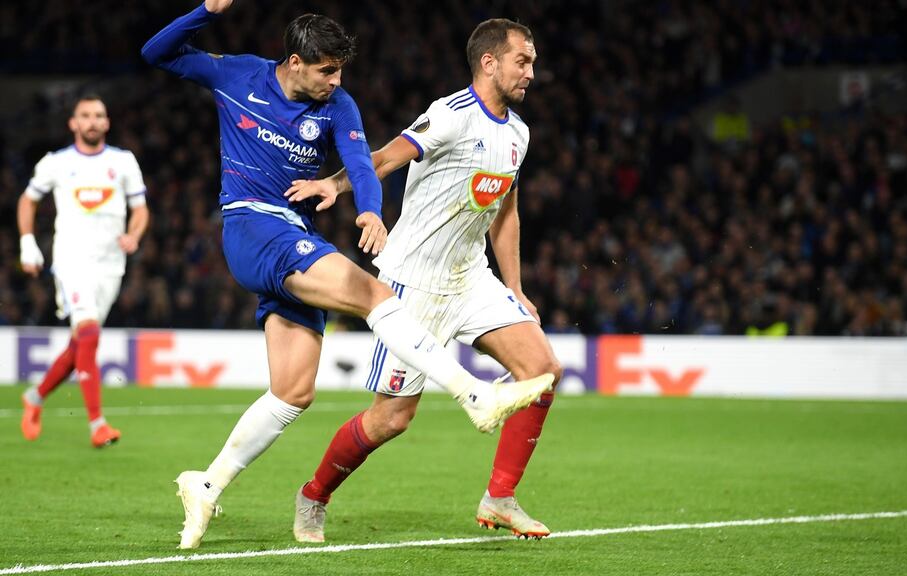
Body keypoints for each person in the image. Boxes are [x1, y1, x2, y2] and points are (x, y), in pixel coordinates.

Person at [141, 0, 553, 550]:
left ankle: (207, 483)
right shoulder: (237, 74)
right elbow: (156, 52)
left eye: (341, 71)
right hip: (256, 227)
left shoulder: (339, 106)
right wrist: (206, 9)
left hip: (316, 243)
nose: (337, 82)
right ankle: (472, 393)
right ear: (294, 61)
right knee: (371, 293)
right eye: (327, 71)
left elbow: (364, 162)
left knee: (293, 393)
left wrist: (366, 208)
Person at [285, 18, 561, 542]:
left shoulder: (519, 133)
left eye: (533, 61)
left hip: (471, 279)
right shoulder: (451, 115)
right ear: (489, 62)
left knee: (542, 370)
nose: (531, 71)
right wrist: (335, 185)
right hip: (413, 284)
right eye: (522, 60)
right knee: (391, 419)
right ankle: (314, 494)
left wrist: (517, 289)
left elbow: (505, 214)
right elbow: (385, 158)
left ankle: (499, 499)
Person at [18, 94, 150, 449]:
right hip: (71, 260)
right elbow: (28, 199)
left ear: (106, 123)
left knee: (80, 344)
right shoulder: (56, 163)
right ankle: (97, 424)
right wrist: (28, 243)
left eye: (98, 115)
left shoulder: (123, 162)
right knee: (89, 334)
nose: (92, 121)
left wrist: (134, 235)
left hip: (110, 265)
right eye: (85, 116)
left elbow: (140, 209)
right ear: (73, 124)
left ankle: (35, 397)